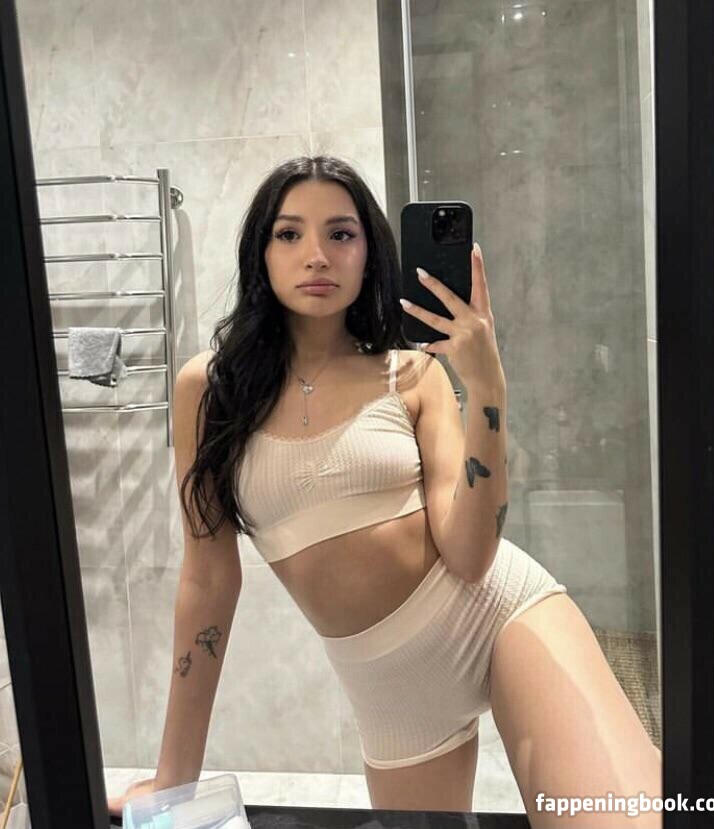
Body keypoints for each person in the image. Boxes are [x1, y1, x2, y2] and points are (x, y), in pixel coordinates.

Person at [108, 156, 662, 826]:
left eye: (340, 233)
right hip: (391, 695)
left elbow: (470, 557)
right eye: (290, 233)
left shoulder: (413, 374)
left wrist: (486, 387)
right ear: (261, 252)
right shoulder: (210, 390)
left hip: (497, 618)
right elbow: (208, 580)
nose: (316, 254)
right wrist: (173, 780)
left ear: (370, 251)